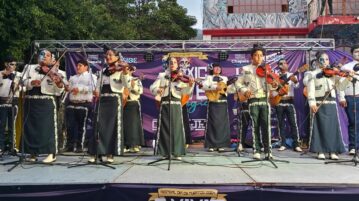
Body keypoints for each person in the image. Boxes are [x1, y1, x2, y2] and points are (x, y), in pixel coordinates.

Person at [229, 45, 278, 159]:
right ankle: (256, 150)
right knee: (255, 126)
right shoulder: (246, 69)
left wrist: (274, 85)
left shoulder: (267, 69)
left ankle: (268, 151)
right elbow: (238, 83)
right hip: (253, 100)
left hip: (265, 100)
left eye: (261, 55)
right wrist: (245, 90)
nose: (258, 57)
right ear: (252, 57)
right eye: (256, 55)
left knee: (266, 126)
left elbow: (272, 86)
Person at [306, 51, 351, 160]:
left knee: (332, 128)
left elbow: (340, 87)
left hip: (331, 103)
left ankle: (332, 150)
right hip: (319, 103)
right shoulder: (312, 74)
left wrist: (348, 78)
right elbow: (310, 90)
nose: (325, 61)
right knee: (319, 127)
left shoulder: (332, 74)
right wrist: (312, 103)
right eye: (322, 59)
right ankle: (320, 150)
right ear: (317, 61)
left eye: (327, 59)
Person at [23, 50, 66, 163]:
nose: (44, 57)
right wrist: (31, 83)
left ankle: (51, 153)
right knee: (31, 127)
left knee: (48, 128)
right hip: (31, 101)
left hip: (47, 101)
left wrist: (58, 83)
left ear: (52, 59)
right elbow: (23, 81)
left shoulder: (57, 72)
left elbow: (59, 91)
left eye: (47, 55)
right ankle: (32, 153)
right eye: (42, 54)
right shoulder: (29, 68)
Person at [88, 48, 130, 163]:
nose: (108, 57)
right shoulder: (103, 71)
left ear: (117, 57)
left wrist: (126, 72)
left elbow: (127, 85)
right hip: (102, 100)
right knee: (99, 126)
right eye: (107, 55)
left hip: (114, 100)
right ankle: (97, 152)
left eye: (111, 55)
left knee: (112, 127)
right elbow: (98, 85)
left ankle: (110, 153)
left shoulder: (121, 70)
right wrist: (96, 91)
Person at [150, 56, 194, 159]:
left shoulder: (181, 77)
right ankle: (165, 152)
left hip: (177, 105)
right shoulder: (162, 75)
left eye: (174, 62)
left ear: (177, 65)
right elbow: (152, 87)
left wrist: (190, 85)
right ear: (168, 64)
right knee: (164, 128)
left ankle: (177, 152)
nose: (173, 64)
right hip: (165, 104)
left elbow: (185, 92)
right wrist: (157, 90)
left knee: (177, 128)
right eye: (171, 62)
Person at [65, 60, 96, 153]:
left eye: (80, 65)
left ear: (86, 67)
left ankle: (80, 146)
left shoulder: (91, 76)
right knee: (70, 126)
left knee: (81, 126)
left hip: (84, 103)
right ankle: (69, 146)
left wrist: (80, 89)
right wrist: (67, 88)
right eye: (77, 65)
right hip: (72, 103)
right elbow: (68, 89)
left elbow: (93, 88)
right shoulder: (72, 78)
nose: (78, 67)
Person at [274, 59, 302, 152]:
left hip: (289, 101)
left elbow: (297, 86)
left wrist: (295, 81)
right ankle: (283, 143)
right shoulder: (276, 76)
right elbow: (273, 90)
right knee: (281, 124)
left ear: (287, 64)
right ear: (278, 66)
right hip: (279, 101)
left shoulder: (291, 75)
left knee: (293, 123)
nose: (283, 65)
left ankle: (296, 144)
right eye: (280, 63)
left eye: (284, 63)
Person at [202, 63, 231, 152]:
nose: (218, 69)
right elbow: (204, 86)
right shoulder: (209, 77)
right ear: (212, 69)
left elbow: (228, 89)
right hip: (213, 102)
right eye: (216, 67)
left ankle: (221, 145)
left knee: (222, 124)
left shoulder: (225, 78)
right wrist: (215, 87)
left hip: (223, 102)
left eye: (219, 67)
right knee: (212, 123)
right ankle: (211, 145)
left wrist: (229, 86)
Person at [339, 44, 359, 155]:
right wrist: (342, 97)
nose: (358, 53)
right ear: (352, 53)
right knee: (353, 122)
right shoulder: (346, 67)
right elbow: (341, 85)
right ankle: (353, 147)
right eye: (356, 51)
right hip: (351, 98)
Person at [0, 56, 21, 154]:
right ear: (6, 64)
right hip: (2, 103)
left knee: (12, 126)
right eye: (12, 64)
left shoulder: (19, 75)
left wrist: (18, 87)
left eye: (15, 64)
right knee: (2, 125)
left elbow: (24, 88)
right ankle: (1, 147)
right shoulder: (0, 74)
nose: (14, 66)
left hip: (14, 103)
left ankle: (12, 147)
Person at [123, 66, 145, 153]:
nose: (127, 71)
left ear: (131, 71)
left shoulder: (136, 80)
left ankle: (135, 144)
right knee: (124, 125)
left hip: (133, 103)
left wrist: (133, 86)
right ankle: (125, 145)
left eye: (129, 69)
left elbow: (140, 91)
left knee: (134, 125)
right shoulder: (121, 79)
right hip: (123, 103)